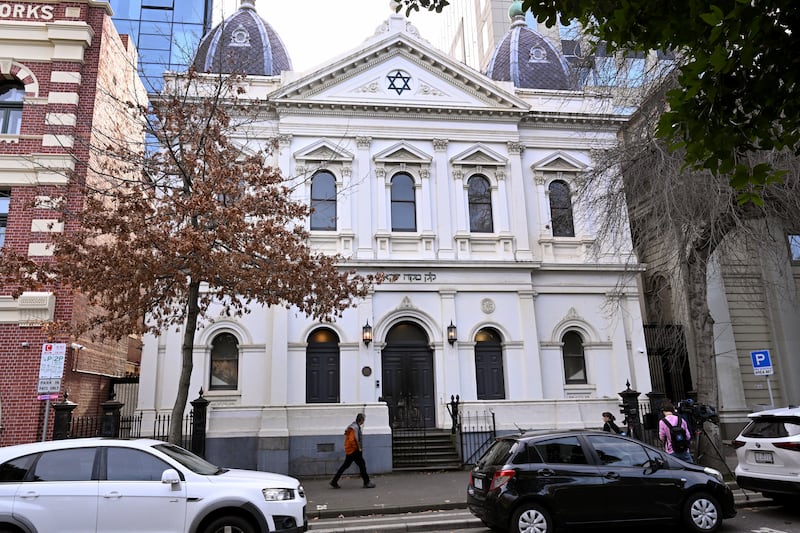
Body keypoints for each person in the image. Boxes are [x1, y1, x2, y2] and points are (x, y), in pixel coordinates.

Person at [330, 413, 376, 489]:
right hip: (354, 451)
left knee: (346, 466)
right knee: (362, 465)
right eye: (363, 420)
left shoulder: (354, 426)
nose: (364, 421)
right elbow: (351, 440)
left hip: (351, 451)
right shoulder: (355, 428)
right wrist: (357, 448)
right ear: (361, 420)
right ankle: (367, 482)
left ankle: (334, 481)